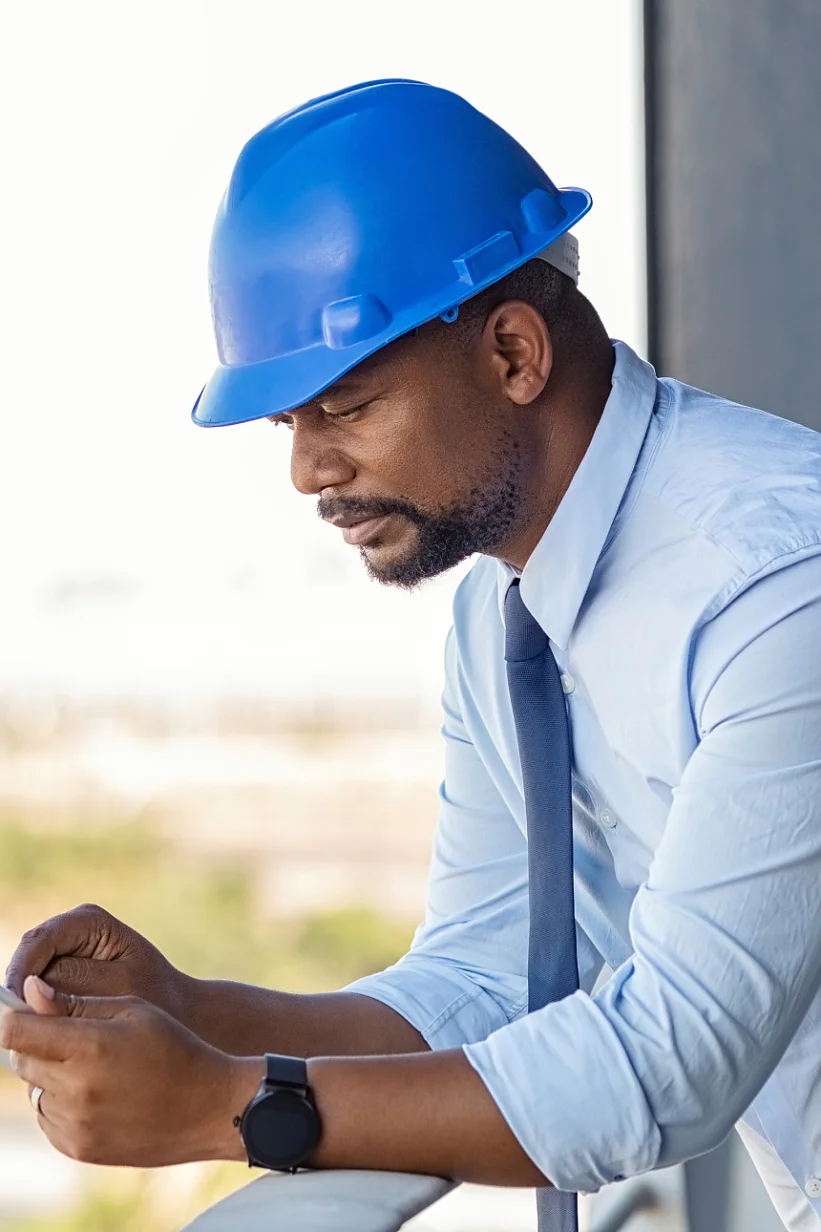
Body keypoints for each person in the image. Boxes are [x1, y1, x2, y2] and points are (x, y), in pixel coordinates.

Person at [3, 78, 821, 1232]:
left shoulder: (777, 585)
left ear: (512, 351)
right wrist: (201, 1016)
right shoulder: (505, 620)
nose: (305, 471)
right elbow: (485, 982)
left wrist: (231, 1107)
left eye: (342, 404)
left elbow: (667, 1058)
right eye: (290, 424)